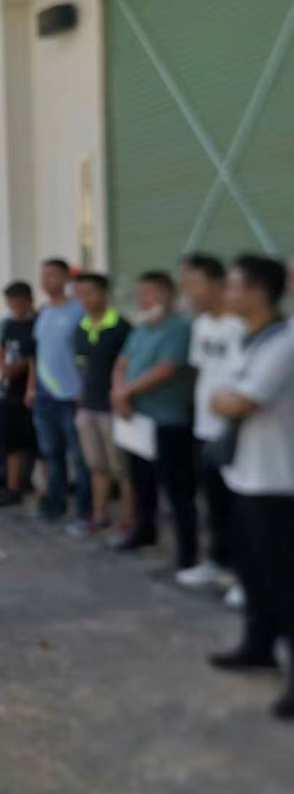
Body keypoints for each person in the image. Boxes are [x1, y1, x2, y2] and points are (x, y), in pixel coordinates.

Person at [209, 255, 294, 720]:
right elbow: (222, 395)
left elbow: (241, 401)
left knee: (285, 582)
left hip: (279, 482)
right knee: (255, 574)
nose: (227, 292)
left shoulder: (285, 342)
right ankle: (258, 647)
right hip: (244, 474)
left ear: (258, 292)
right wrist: (226, 399)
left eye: (234, 285)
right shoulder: (246, 339)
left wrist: (227, 399)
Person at [111, 271, 197, 569]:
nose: (143, 299)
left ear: (167, 294)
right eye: (141, 293)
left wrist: (125, 392)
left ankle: (187, 553)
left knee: (177, 489)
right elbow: (122, 363)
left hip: (168, 420)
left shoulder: (180, 328)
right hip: (137, 420)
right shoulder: (141, 329)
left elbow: (166, 369)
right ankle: (144, 531)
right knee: (141, 481)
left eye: (149, 292)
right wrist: (118, 391)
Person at [177, 254, 245, 601]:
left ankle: (247, 578)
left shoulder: (242, 325)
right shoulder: (202, 324)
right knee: (214, 503)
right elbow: (200, 370)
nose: (188, 292)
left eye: (194, 284)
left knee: (240, 507)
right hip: (204, 428)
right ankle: (218, 563)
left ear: (219, 284)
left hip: (236, 430)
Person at [25, 259, 91, 522]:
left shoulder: (79, 310)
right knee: (51, 452)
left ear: (65, 278)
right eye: (43, 276)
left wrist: (84, 388)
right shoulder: (43, 312)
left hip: (73, 395)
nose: (46, 281)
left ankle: (85, 509)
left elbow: (87, 354)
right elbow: (38, 354)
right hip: (45, 396)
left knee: (80, 455)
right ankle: (55, 503)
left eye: (52, 275)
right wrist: (32, 388)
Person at [73, 273, 134, 537]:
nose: (85, 299)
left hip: (114, 408)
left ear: (105, 294)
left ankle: (130, 521)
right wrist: (80, 396)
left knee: (122, 469)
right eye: (80, 294)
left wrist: (122, 397)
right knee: (97, 466)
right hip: (88, 406)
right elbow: (83, 365)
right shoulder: (82, 326)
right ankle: (100, 516)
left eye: (90, 293)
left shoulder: (121, 327)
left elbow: (130, 367)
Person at [0, 281, 37, 507]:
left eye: (18, 303)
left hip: (31, 392)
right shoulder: (8, 325)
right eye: (11, 303)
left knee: (35, 445)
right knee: (11, 444)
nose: (15, 308)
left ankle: (31, 485)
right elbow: (1, 348)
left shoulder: (37, 324)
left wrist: (14, 370)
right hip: (8, 392)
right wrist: (3, 367)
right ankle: (12, 487)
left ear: (28, 301)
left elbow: (33, 358)